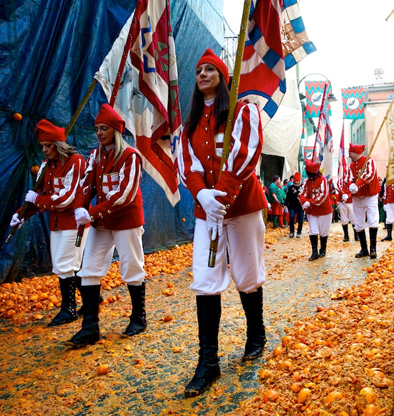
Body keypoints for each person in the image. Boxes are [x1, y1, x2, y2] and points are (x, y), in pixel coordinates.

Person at [178, 49, 268, 397]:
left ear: (223, 74)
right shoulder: (191, 121)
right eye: (198, 70)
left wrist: (223, 195)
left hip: (242, 206)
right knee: (205, 277)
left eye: (209, 69)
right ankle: (208, 363)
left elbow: (246, 151)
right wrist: (202, 195)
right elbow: (188, 161)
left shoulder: (241, 110)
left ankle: (256, 334)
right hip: (207, 212)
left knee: (247, 275)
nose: (202, 74)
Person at [65, 104, 147, 347]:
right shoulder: (95, 155)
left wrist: (90, 213)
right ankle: (90, 327)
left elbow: (125, 194)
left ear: (116, 131)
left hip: (125, 220)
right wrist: (80, 207)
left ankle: (139, 317)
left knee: (131, 265)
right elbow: (86, 183)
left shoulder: (130, 156)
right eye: (97, 129)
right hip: (101, 221)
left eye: (104, 129)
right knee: (88, 268)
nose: (99, 133)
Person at [10, 119, 89, 327]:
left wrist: (38, 200)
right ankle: (92, 299)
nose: (44, 150)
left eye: (48, 145)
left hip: (75, 222)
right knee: (65, 266)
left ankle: (68, 309)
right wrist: (22, 215)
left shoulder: (76, 161)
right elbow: (38, 194)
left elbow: (67, 198)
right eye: (42, 146)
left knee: (66, 265)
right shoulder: (46, 165)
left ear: (59, 144)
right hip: (55, 222)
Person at [347, 144, 380, 259]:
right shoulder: (350, 166)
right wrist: (350, 185)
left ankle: (373, 248)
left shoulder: (369, 161)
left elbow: (370, 175)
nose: (349, 154)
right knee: (358, 222)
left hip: (370, 195)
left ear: (356, 153)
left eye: (350, 152)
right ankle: (364, 248)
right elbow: (348, 178)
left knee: (373, 219)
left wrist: (358, 184)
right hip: (357, 197)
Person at [299, 160, 332, 261]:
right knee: (313, 230)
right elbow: (301, 193)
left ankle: (323, 249)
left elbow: (323, 194)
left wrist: (310, 201)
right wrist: (304, 201)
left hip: (324, 210)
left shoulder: (323, 180)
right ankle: (314, 252)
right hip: (312, 211)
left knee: (323, 231)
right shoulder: (306, 181)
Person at [336, 168, 354, 242]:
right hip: (342, 201)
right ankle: (346, 235)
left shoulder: (352, 181)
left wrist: (349, 195)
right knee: (343, 218)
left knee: (353, 218)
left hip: (351, 201)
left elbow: (354, 189)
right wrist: (343, 194)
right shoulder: (341, 180)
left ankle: (356, 234)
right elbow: (338, 186)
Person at [285, 172, 304, 238]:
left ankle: (299, 232)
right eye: (295, 181)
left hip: (300, 206)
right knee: (292, 217)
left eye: (297, 181)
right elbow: (288, 196)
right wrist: (285, 204)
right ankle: (291, 232)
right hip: (292, 206)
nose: (296, 182)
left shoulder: (302, 187)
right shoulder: (291, 187)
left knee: (300, 219)